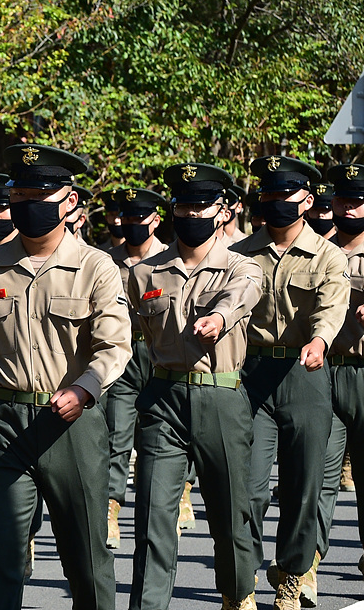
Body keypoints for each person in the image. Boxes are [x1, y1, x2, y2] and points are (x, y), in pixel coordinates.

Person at [0, 143, 130, 610]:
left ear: (69, 201)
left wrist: (84, 388)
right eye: (21, 196)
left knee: (85, 557)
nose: (28, 206)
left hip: (70, 423)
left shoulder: (96, 267)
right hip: (2, 423)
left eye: (41, 195)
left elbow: (114, 346)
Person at [127, 163, 262, 610]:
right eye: (183, 205)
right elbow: (136, 336)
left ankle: (237, 594)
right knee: (151, 516)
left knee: (229, 514)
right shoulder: (145, 274)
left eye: (201, 206)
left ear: (221, 211)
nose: (191, 214)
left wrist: (219, 319)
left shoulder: (242, 266)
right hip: (163, 398)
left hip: (220, 396)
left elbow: (240, 296)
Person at [230, 155, 349, 610]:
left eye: (287, 195)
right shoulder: (239, 254)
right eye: (270, 195)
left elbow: (331, 307)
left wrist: (319, 341)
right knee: (249, 487)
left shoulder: (328, 254)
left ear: (307, 199)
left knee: (303, 487)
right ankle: (241, 583)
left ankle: (293, 576)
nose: (278, 202)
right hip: (250, 376)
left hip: (306, 372)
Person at [307, 163, 364, 607]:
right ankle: (306, 567)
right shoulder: (317, 252)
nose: (347, 209)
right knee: (317, 476)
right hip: (322, 374)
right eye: (342, 201)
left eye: (356, 201)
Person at [104, 188, 168, 549]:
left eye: (139, 220)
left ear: (155, 221)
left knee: (158, 438)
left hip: (158, 357)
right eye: (126, 219)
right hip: (122, 361)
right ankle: (111, 508)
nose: (131, 226)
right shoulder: (106, 261)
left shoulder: (169, 259)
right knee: (116, 433)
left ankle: (167, 503)